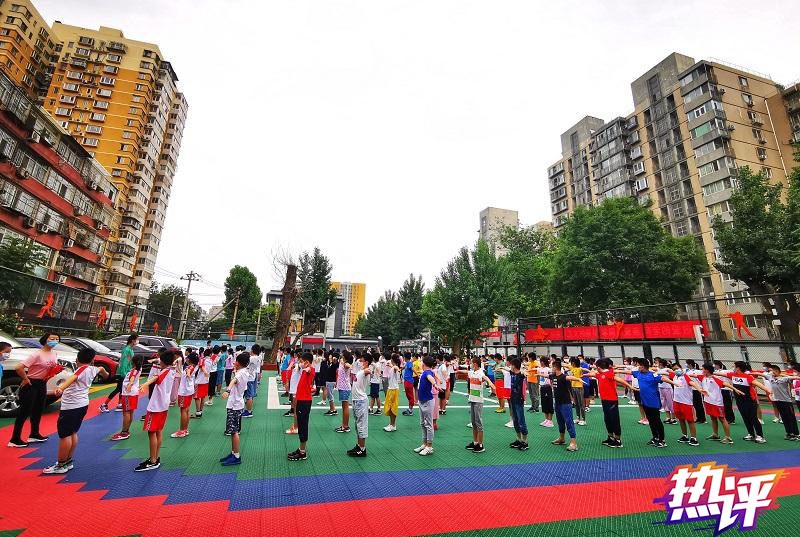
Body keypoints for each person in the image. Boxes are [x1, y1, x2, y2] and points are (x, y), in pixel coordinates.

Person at [42, 348, 108, 474]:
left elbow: (73, 378)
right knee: (72, 432)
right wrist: (104, 373)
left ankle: (61, 464)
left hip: (71, 407)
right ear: (92, 360)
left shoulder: (82, 369)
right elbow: (103, 371)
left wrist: (61, 388)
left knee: (64, 435)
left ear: (77, 359)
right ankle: (67, 461)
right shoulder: (94, 369)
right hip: (82, 405)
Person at [9, 332, 60, 448]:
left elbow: (51, 368)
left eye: (57, 339)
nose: (55, 341)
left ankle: (34, 434)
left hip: (42, 383)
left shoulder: (54, 353)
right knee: (24, 412)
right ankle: (15, 439)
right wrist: (25, 379)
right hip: (31, 383)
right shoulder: (37, 354)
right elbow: (19, 367)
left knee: (38, 410)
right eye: (52, 338)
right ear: (45, 340)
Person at [135, 349, 177, 471]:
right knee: (158, 431)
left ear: (163, 361)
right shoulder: (172, 371)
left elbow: (157, 377)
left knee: (151, 432)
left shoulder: (165, 371)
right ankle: (155, 457)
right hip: (163, 406)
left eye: (160, 361)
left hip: (156, 407)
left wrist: (145, 384)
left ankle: (153, 461)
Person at [716, 361, 771, 443]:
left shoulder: (747, 376)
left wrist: (768, 391)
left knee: (753, 418)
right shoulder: (732, 375)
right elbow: (720, 374)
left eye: (734, 366)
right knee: (745, 418)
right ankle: (751, 434)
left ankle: (760, 436)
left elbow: (758, 384)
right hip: (739, 401)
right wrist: (709, 372)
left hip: (750, 400)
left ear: (738, 368)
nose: (733, 368)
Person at [588, 358, 635, 448]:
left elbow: (619, 379)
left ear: (599, 367)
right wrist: (583, 375)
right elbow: (592, 374)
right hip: (604, 400)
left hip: (611, 400)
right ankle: (610, 437)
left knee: (614, 419)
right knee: (607, 418)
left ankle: (618, 440)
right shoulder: (600, 374)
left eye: (596, 367)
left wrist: (630, 386)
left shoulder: (609, 373)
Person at [626, 358, 666, 448]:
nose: (638, 367)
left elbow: (663, 378)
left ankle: (662, 440)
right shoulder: (638, 373)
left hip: (654, 402)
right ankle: (655, 437)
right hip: (645, 402)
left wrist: (675, 383)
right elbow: (627, 372)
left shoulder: (653, 374)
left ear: (643, 366)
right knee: (650, 420)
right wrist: (612, 370)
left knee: (657, 421)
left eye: (639, 365)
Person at [695, 363, 739, 445]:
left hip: (716, 402)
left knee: (722, 419)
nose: (702, 370)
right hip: (708, 401)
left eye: (703, 369)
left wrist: (735, 389)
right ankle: (715, 435)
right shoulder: (702, 377)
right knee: (713, 418)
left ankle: (728, 437)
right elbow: (692, 375)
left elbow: (726, 384)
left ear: (707, 370)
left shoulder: (715, 379)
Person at [660, 363, 704, 447]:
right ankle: (685, 436)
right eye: (674, 369)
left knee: (690, 421)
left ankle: (693, 438)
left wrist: (699, 389)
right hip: (676, 401)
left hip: (686, 403)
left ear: (681, 368)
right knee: (681, 419)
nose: (676, 370)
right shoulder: (674, 376)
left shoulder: (686, 376)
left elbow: (692, 383)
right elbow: (664, 373)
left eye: (677, 368)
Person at [219, 351, 250, 466]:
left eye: (236, 361)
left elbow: (233, 381)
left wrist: (227, 390)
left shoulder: (240, 374)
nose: (234, 363)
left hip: (235, 405)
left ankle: (236, 456)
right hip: (237, 403)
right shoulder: (244, 372)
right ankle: (233, 453)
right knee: (233, 431)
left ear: (239, 363)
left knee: (234, 431)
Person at [465, 356, 496, 453]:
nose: (470, 364)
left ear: (475, 364)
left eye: (471, 363)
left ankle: (481, 444)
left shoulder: (480, 372)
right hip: (472, 400)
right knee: (473, 422)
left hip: (478, 401)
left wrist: (490, 383)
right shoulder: (472, 372)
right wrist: (456, 371)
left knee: (478, 423)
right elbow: (465, 372)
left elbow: (485, 377)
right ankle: (475, 442)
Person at [111, 355, 145, 441]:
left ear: (133, 362)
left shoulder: (134, 371)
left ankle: (124, 432)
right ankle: (126, 431)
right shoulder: (139, 368)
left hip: (128, 394)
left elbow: (132, 378)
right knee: (130, 413)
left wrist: (129, 385)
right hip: (134, 393)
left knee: (126, 413)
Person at [100, 334, 137, 413]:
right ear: (133, 340)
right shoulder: (127, 350)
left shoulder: (130, 349)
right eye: (137, 339)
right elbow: (124, 363)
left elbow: (129, 362)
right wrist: (124, 374)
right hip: (124, 373)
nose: (137, 341)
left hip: (127, 372)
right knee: (118, 389)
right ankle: (104, 404)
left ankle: (119, 404)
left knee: (122, 389)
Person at [288, 352, 315, 461]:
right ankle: (301, 449)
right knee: (301, 425)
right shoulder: (304, 370)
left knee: (303, 426)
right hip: (301, 400)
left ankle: (302, 452)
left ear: (307, 362)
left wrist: (308, 369)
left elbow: (310, 370)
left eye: (301, 362)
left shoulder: (309, 370)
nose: (300, 364)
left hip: (304, 402)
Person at [549, 359, 578, 452]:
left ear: (555, 367)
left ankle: (574, 442)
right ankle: (561, 438)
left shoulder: (563, 377)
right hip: (557, 403)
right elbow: (546, 375)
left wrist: (578, 379)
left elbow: (570, 379)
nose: (551, 368)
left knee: (569, 422)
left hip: (565, 403)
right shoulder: (553, 376)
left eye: (552, 367)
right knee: (560, 421)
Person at [766, 364, 800, 441]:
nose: (770, 372)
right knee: (784, 418)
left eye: (772, 371)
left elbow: (794, 377)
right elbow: (759, 373)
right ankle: (789, 433)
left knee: (791, 418)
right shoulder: (771, 378)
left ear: (776, 371)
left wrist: (782, 375)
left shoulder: (785, 378)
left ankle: (796, 434)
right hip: (778, 401)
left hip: (787, 402)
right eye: (770, 371)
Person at [348, 353, 373, 457]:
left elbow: (368, 371)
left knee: (361, 425)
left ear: (366, 362)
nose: (360, 362)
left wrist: (369, 369)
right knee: (357, 425)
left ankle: (362, 449)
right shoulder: (360, 371)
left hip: (361, 401)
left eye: (362, 360)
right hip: (356, 400)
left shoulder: (365, 371)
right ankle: (359, 446)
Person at [414, 356, 438, 456]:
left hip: (427, 401)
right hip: (422, 401)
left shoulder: (428, 373)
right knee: (422, 423)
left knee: (428, 424)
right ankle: (424, 444)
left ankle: (429, 446)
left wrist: (435, 384)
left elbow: (430, 378)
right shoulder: (425, 372)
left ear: (423, 364)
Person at [171, 352, 198, 438]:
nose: (186, 359)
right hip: (189, 391)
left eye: (187, 358)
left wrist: (188, 374)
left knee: (183, 411)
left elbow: (188, 372)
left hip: (184, 392)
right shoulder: (194, 367)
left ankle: (182, 431)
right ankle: (185, 429)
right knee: (186, 410)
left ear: (189, 359)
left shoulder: (189, 367)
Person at [507, 357, 529, 450]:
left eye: (511, 365)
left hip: (519, 400)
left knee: (521, 420)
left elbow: (525, 374)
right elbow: (506, 369)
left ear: (514, 366)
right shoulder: (511, 373)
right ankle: (519, 439)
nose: (510, 366)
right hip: (512, 399)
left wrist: (524, 372)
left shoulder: (521, 375)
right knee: (515, 420)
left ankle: (525, 441)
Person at [713, 360, 736, 424]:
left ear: (718, 365)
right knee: (722, 404)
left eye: (714, 364)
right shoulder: (716, 371)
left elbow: (733, 371)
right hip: (720, 390)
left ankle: (731, 419)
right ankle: (725, 417)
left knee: (727, 405)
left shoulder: (726, 371)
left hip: (727, 389)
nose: (714, 366)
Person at [383, 353, 402, 432]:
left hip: (393, 390)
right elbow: (394, 367)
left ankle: (393, 425)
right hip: (391, 389)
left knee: (392, 407)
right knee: (390, 407)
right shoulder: (392, 367)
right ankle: (391, 424)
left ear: (392, 360)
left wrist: (397, 369)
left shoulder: (395, 367)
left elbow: (396, 368)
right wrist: (391, 366)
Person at [335, 350, 353, 433]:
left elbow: (349, 366)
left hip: (345, 388)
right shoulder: (342, 362)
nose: (341, 355)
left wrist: (349, 365)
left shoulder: (345, 364)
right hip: (343, 387)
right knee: (344, 407)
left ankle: (345, 426)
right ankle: (344, 425)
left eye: (342, 355)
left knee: (345, 407)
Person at [655, 358, 677, 425]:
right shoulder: (658, 369)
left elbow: (673, 373)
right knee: (664, 403)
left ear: (661, 364)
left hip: (667, 388)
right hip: (660, 387)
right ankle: (668, 417)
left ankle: (673, 418)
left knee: (670, 403)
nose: (658, 364)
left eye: (659, 363)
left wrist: (668, 373)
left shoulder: (667, 369)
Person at [243, 344, 262, 419]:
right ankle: (248, 409)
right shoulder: (258, 358)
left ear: (252, 350)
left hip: (249, 378)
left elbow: (246, 366)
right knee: (250, 395)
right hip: (253, 376)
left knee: (248, 396)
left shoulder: (251, 358)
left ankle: (249, 411)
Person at [192, 348, 212, 418]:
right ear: (210, 354)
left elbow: (201, 366)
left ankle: (198, 413)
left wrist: (205, 372)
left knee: (196, 397)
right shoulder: (210, 360)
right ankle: (200, 411)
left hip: (199, 381)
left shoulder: (202, 360)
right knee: (203, 397)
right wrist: (207, 374)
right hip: (206, 381)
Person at [568, 356, 587, 426]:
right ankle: (578, 418)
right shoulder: (572, 368)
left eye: (572, 362)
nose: (571, 363)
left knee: (581, 404)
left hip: (579, 387)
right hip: (573, 387)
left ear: (574, 363)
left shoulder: (579, 369)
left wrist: (587, 372)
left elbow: (585, 369)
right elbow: (565, 365)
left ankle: (584, 420)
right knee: (576, 403)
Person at [538, 356, 555, 428]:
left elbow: (552, 378)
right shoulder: (540, 369)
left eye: (541, 361)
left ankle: (550, 420)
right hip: (542, 387)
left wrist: (552, 387)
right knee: (544, 403)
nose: (540, 363)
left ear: (543, 362)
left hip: (547, 387)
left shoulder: (548, 369)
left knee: (549, 403)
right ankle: (546, 419)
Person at [323, 351, 338, 416]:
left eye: (331, 357)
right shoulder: (331, 364)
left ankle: (332, 410)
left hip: (331, 381)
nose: (329, 358)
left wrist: (334, 361)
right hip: (329, 381)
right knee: (329, 396)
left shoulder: (334, 364)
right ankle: (333, 409)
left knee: (330, 396)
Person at [402, 352, 415, 416]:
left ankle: (410, 410)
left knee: (410, 395)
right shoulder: (407, 363)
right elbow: (403, 367)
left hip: (409, 381)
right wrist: (400, 369)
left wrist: (417, 375)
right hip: (406, 381)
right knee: (408, 395)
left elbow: (412, 369)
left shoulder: (409, 363)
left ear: (405, 357)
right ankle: (409, 409)